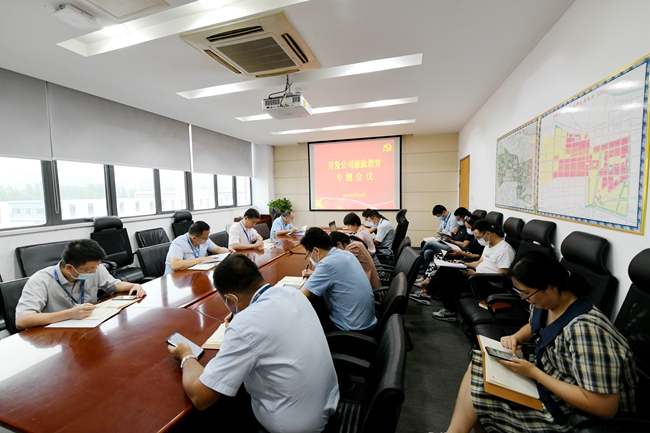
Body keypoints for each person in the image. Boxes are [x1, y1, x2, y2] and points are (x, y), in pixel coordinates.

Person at [446, 252, 637, 433]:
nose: (526, 299)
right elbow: (534, 325)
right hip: (548, 385)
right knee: (480, 366)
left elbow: (603, 407)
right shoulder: (548, 303)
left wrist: (533, 373)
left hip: (571, 413)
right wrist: (516, 337)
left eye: (527, 294)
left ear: (552, 286)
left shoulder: (586, 330)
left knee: (482, 397)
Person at [168, 254, 339, 433]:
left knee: (218, 412)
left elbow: (200, 397)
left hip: (295, 426)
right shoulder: (293, 293)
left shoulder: (244, 326)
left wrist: (186, 355)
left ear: (231, 300)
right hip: (327, 405)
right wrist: (241, 316)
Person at [15, 239, 146, 330]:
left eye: (96, 267)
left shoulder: (94, 267)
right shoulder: (41, 280)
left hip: (88, 328)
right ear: (69, 267)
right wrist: (69, 314)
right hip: (55, 336)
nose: (94, 272)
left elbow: (114, 285)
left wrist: (133, 286)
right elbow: (22, 321)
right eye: (89, 270)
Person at [431, 219, 515, 321]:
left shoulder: (505, 250)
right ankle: (430, 292)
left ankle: (445, 308)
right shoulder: (489, 245)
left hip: (488, 283)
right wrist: (463, 263)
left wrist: (476, 274)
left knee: (449, 277)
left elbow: (501, 276)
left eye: (478, 237)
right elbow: (479, 262)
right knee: (447, 268)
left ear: (488, 233)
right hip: (477, 276)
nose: (477, 239)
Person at [300, 227, 377, 332]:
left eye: (308, 256)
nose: (310, 259)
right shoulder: (346, 254)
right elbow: (337, 276)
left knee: (310, 309)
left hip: (350, 331)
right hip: (367, 323)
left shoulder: (327, 264)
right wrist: (315, 274)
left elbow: (302, 295)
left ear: (316, 250)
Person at [418, 207, 472, 283]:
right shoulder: (460, 227)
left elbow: (464, 245)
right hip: (450, 244)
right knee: (428, 252)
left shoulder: (468, 230)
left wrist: (451, 240)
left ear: (464, 218)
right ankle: (425, 277)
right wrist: (452, 233)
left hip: (455, 250)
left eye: (458, 220)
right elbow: (450, 235)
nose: (457, 222)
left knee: (429, 243)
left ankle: (418, 261)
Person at [164, 221, 234, 275]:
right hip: (176, 278)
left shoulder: (204, 239)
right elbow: (175, 265)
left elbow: (218, 249)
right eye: (205, 238)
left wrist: (228, 251)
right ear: (194, 238)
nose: (207, 239)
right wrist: (201, 259)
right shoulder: (178, 243)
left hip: (193, 273)